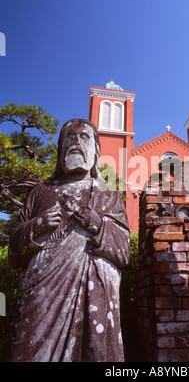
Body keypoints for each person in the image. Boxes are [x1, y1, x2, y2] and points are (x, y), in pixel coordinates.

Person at [8, 119, 130, 362]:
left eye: (84, 138)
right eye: (69, 139)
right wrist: (38, 225)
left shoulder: (107, 193)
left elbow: (124, 251)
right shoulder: (40, 191)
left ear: (96, 150)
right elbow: (14, 251)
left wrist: (98, 225)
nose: (75, 142)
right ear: (60, 150)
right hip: (40, 295)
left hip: (91, 294)